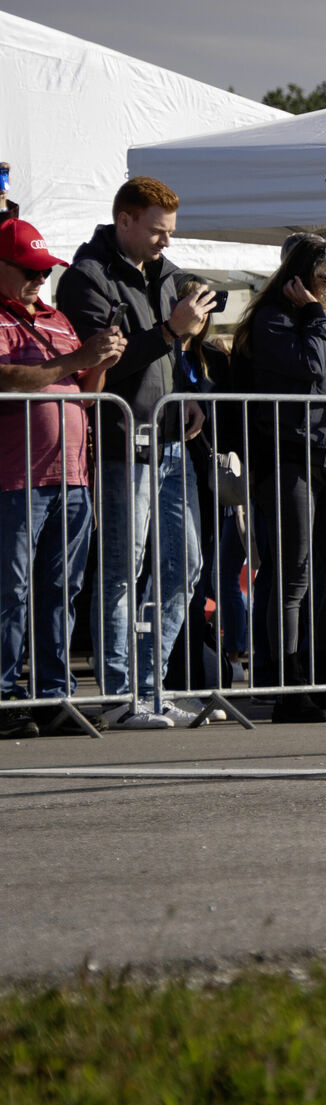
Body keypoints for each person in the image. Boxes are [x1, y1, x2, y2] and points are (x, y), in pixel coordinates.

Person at [56, 178, 213, 726]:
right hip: (122, 440)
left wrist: (192, 395)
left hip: (170, 438)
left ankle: (151, 686)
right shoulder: (85, 279)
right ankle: (123, 692)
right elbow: (101, 364)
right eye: (157, 231)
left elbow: (178, 351)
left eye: (170, 232)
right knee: (126, 565)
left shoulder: (166, 275)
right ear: (125, 220)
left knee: (186, 562)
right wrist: (171, 330)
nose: (165, 242)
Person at [232, 232, 326, 723]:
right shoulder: (275, 318)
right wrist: (319, 317)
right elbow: (312, 367)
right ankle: (291, 686)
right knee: (294, 571)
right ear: (299, 278)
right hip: (290, 456)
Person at [0, 219, 121, 732]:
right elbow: (6, 377)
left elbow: (85, 390)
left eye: (45, 270)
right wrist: (78, 357)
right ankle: (6, 696)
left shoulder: (56, 318)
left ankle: (54, 696)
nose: (38, 278)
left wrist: (103, 359)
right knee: (12, 589)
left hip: (70, 478)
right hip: (15, 478)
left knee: (60, 588)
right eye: (28, 270)